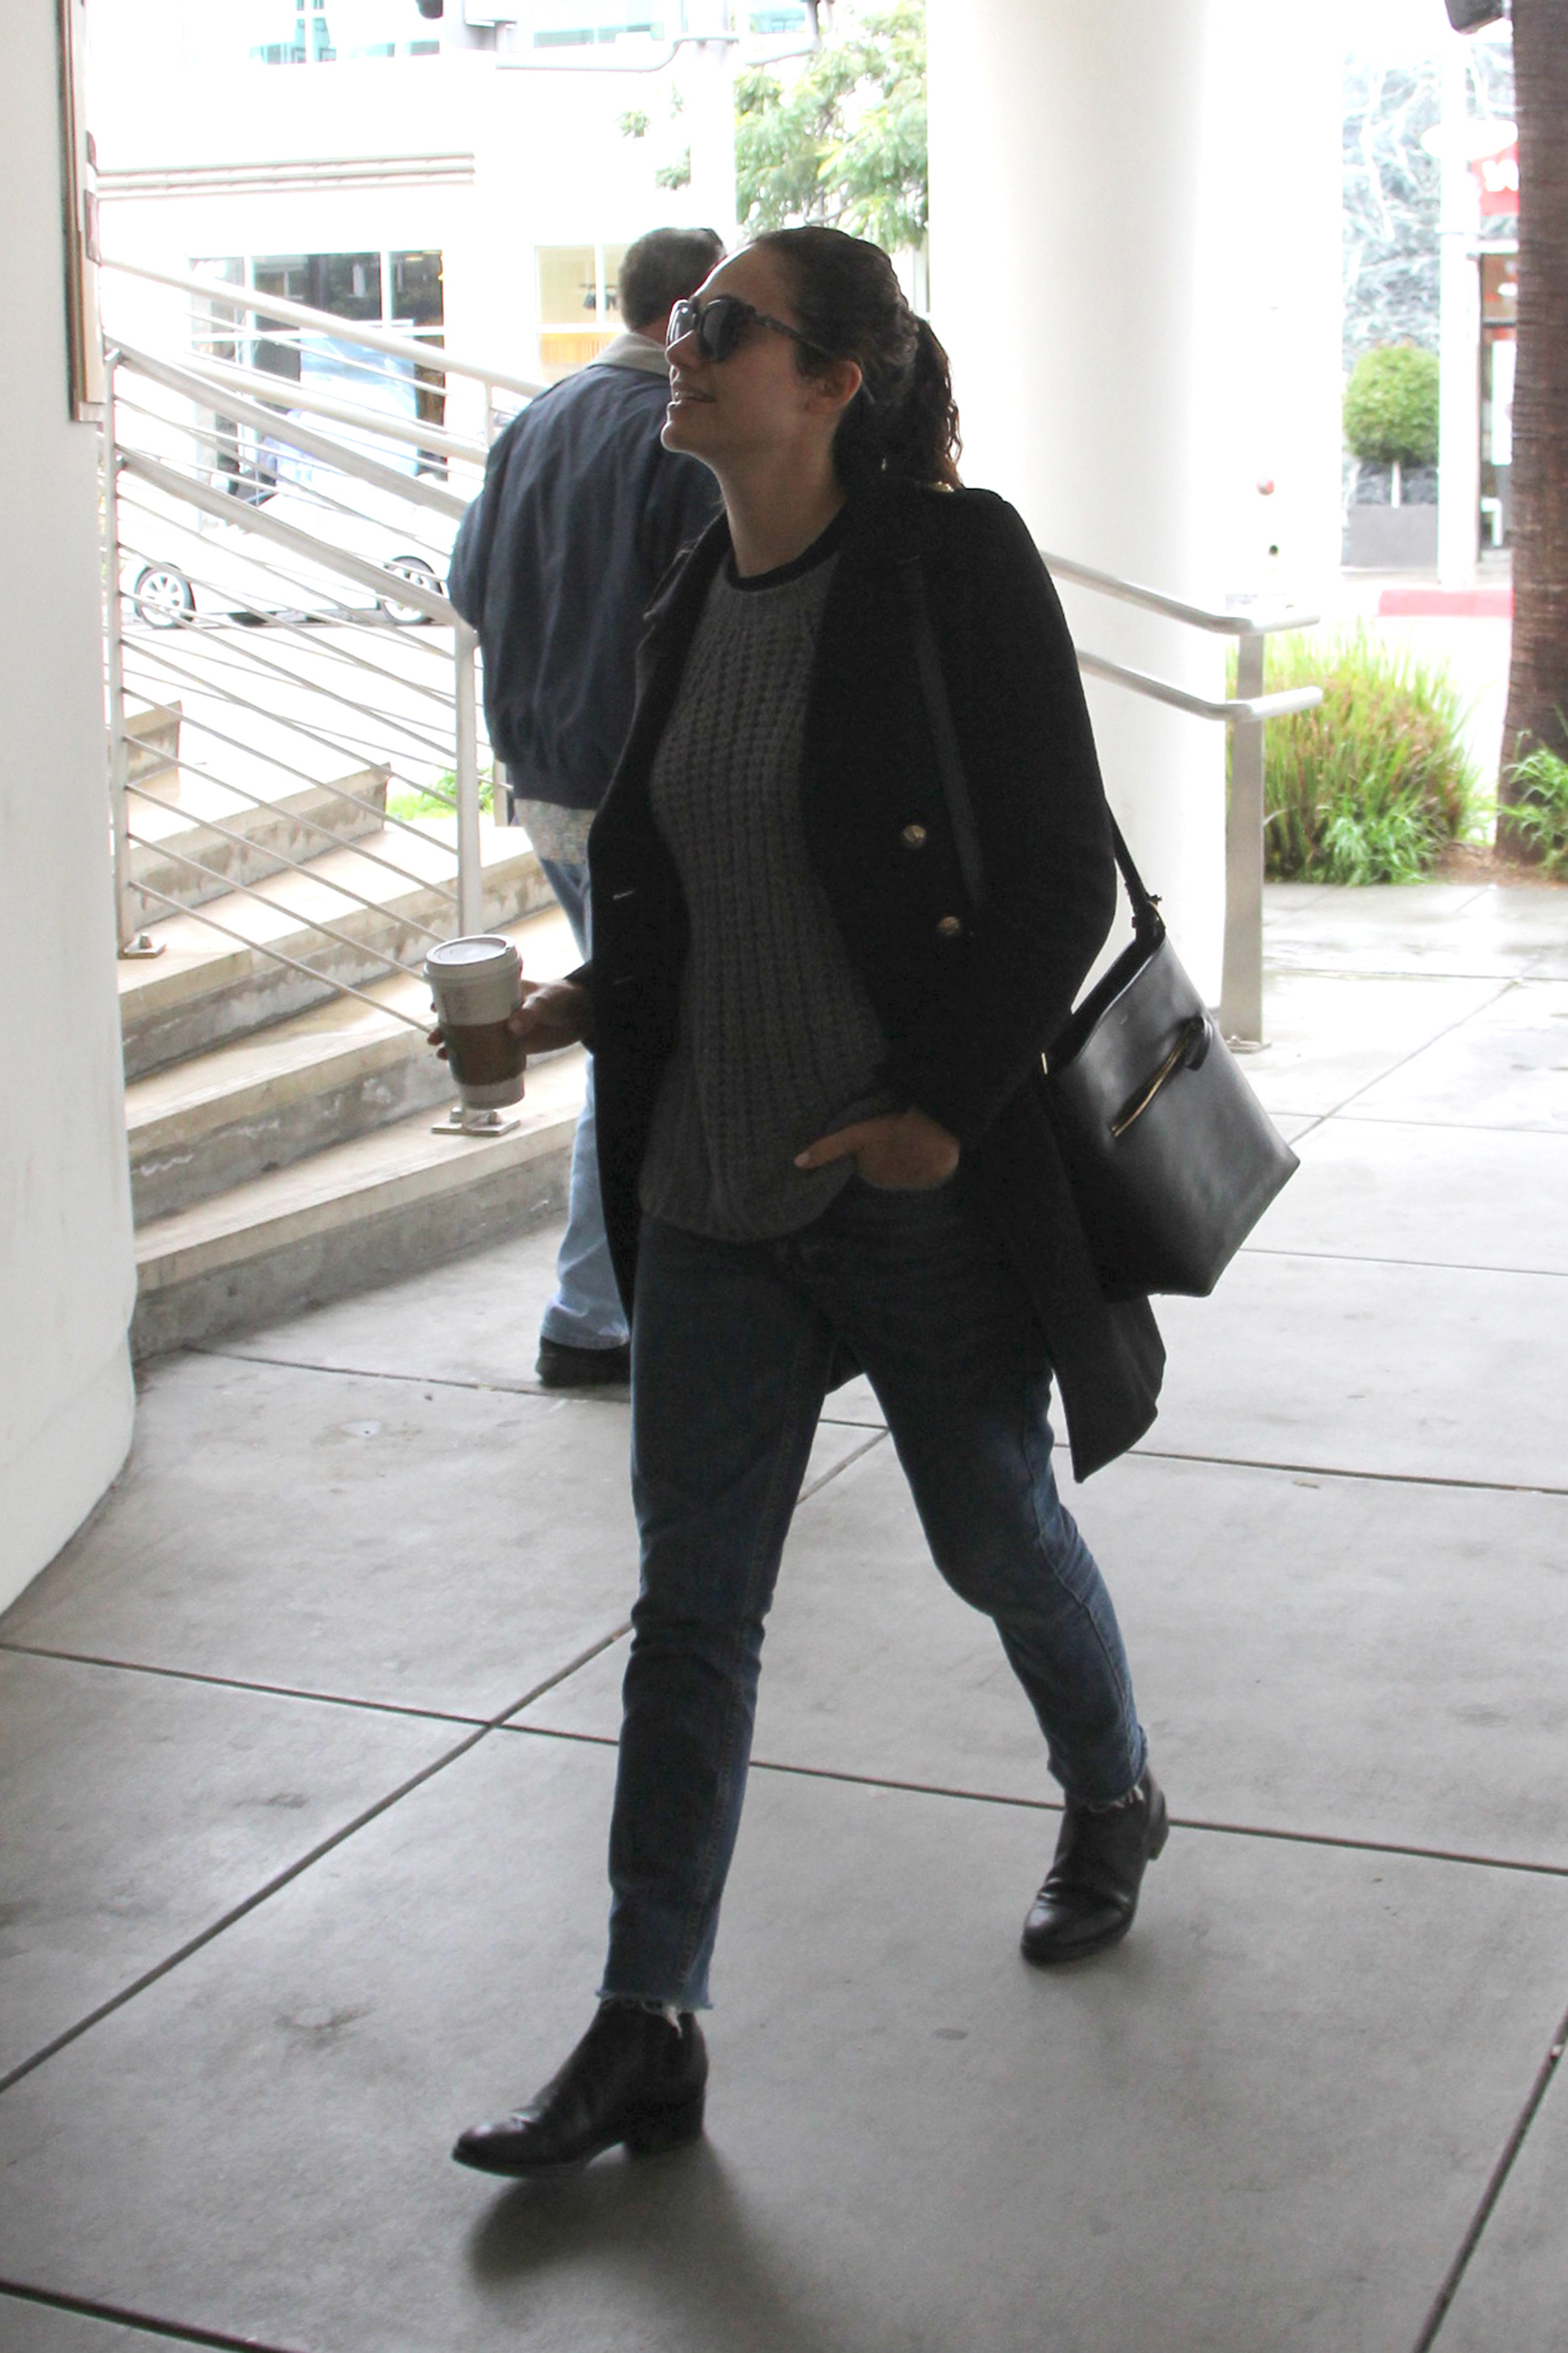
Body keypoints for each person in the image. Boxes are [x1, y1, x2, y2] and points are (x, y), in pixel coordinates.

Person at [451, 227, 1170, 2182]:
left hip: (900, 1186)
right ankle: (647, 2018)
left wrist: (939, 1113)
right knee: (691, 1611)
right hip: (707, 1191)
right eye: (686, 322)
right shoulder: (692, 587)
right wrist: (583, 1000)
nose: (679, 350)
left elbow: (1056, 877)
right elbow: (687, 893)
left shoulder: (954, 565)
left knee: (989, 1531)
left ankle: (1110, 1787)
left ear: (835, 381)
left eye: (722, 328)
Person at [447, 224, 723, 1389]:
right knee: (644, 1035)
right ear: (685, 313)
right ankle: (594, 1311)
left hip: (547, 778)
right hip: (636, 791)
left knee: (635, 1020)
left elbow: (467, 585)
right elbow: (712, 624)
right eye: (722, 317)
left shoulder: (538, 419)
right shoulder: (677, 434)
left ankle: (606, 1306)